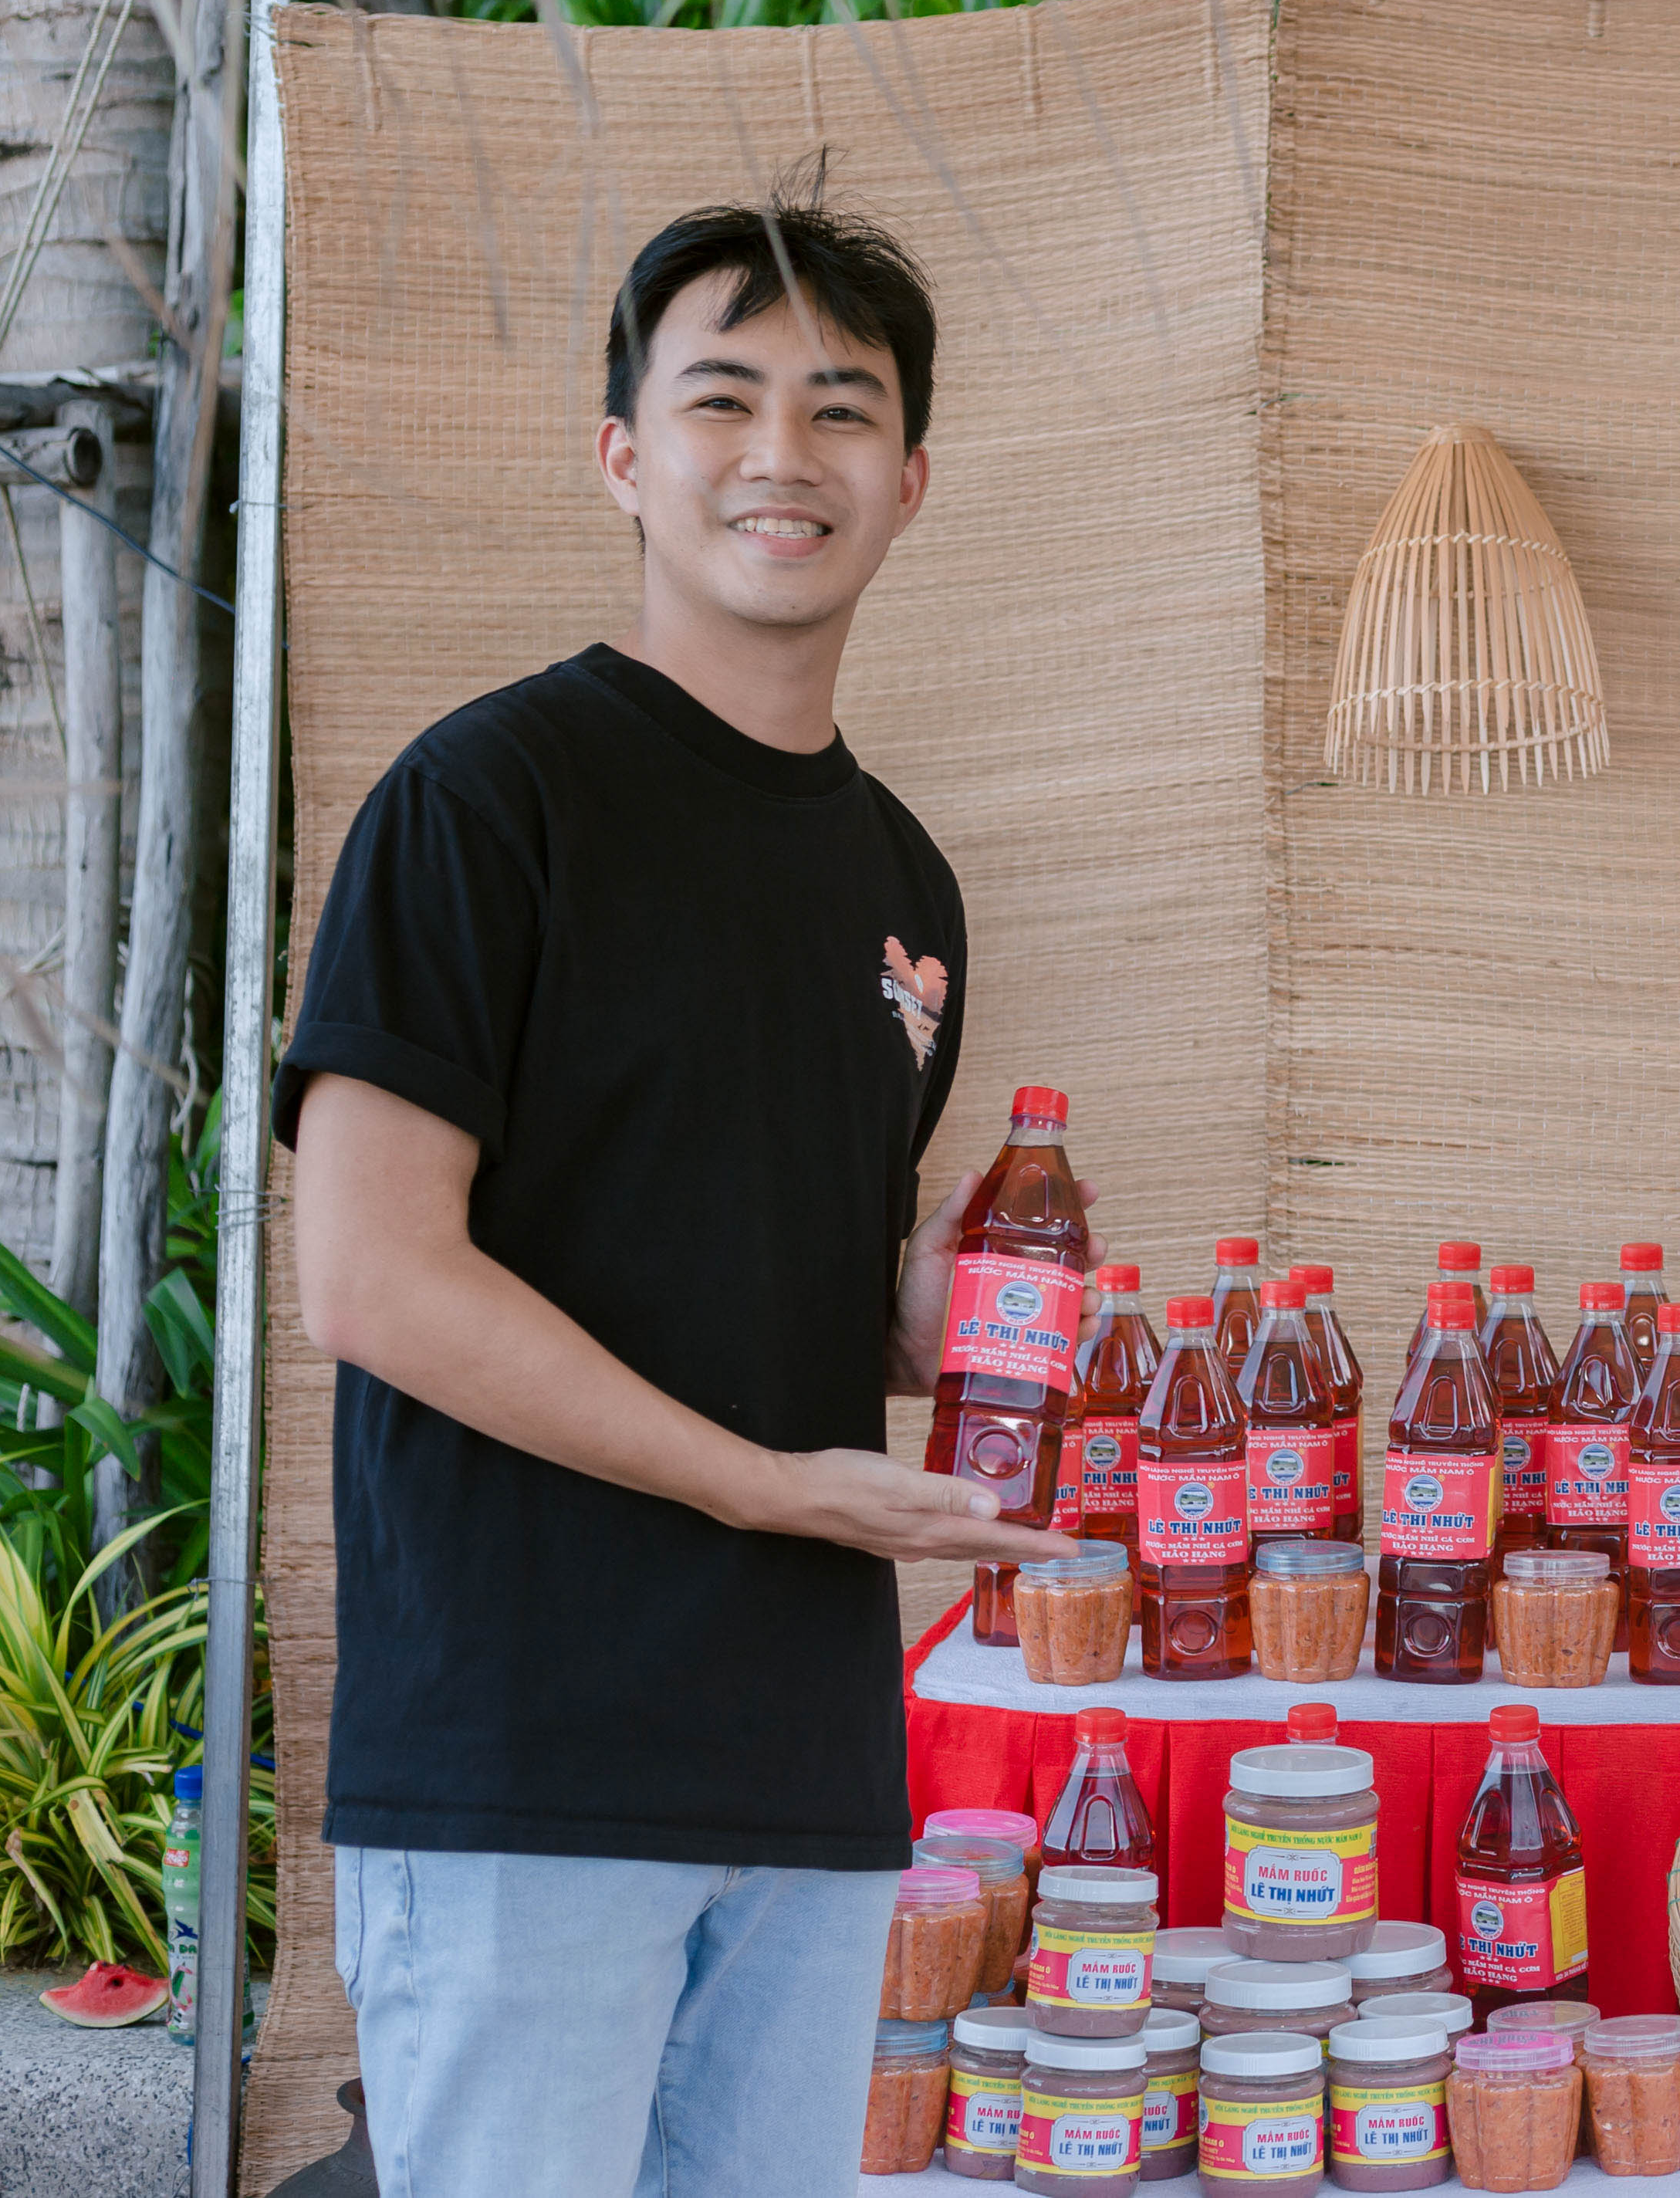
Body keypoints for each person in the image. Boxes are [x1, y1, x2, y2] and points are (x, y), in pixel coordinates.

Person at [278, 187, 1079, 2196]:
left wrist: (953, 1320)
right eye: (723, 398)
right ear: (624, 454)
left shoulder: (906, 884)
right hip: (524, 1759)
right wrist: (759, 1478)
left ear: (912, 478)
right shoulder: (488, 802)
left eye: (840, 408)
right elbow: (369, 1273)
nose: (782, 455)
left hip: (804, 1761)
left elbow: (794, 1270)